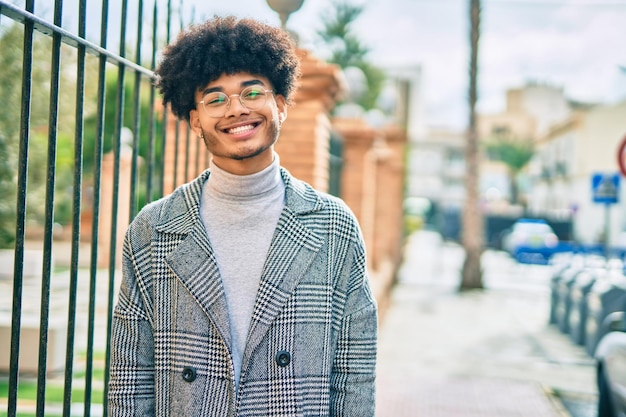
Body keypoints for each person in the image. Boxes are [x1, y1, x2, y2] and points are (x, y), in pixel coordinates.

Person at [107, 15, 377, 416]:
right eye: (215, 99)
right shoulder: (153, 229)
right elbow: (130, 376)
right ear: (195, 118)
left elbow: (354, 373)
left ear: (280, 105)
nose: (236, 109)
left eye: (252, 92)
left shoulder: (333, 225)